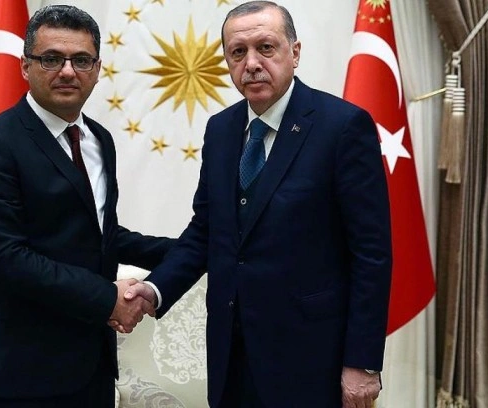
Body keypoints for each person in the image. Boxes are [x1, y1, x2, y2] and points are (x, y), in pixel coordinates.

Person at [122, 2, 392, 407]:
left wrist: (362, 362)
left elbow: (371, 254)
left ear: (294, 53)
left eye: (265, 47)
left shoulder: (342, 127)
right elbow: (207, 231)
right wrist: (155, 289)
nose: (251, 64)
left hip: (312, 358)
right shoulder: (221, 130)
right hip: (231, 354)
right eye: (238, 52)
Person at [0, 5, 174, 407]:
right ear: (25, 66)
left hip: (92, 367)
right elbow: (5, 258)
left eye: (81, 60)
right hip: (21, 376)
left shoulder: (99, 140)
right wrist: (107, 297)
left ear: (97, 68)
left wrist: (192, 249)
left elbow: (99, 235)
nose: (68, 71)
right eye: (52, 59)